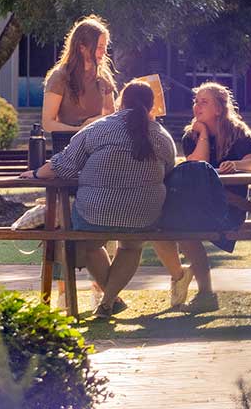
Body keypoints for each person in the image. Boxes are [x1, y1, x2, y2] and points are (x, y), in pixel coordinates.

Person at [33, 79, 175, 316]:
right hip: (144, 214)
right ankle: (109, 301)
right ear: (151, 107)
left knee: (90, 245)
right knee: (131, 246)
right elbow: (169, 172)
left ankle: (110, 299)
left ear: (120, 102)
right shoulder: (162, 136)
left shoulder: (98, 128)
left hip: (94, 211)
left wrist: (36, 172)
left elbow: (62, 165)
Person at [155, 82, 251, 308]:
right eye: (196, 102)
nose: (197, 106)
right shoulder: (191, 136)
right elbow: (198, 165)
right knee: (170, 227)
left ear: (219, 109)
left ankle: (205, 293)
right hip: (199, 206)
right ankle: (201, 291)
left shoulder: (238, 133)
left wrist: (236, 164)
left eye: (204, 102)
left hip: (229, 210)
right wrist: (203, 133)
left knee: (184, 228)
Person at [42, 16, 117, 150]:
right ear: (82, 47)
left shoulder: (103, 77)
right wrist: (79, 130)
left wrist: (94, 122)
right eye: (100, 47)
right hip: (66, 148)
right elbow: (47, 123)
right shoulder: (59, 77)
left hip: (98, 147)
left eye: (105, 47)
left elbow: (111, 115)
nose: (104, 52)